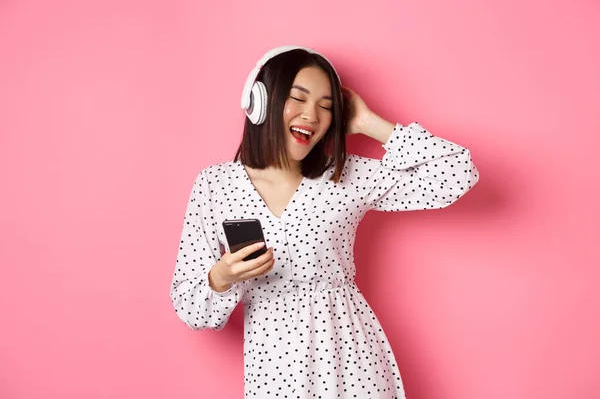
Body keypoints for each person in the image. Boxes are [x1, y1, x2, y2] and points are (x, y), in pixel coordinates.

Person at [169, 45, 479, 398]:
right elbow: (191, 307)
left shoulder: (346, 176)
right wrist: (223, 277)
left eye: (327, 106)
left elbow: (456, 173)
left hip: (353, 359)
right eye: (298, 99)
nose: (312, 116)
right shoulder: (215, 186)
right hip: (274, 366)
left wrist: (368, 123)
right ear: (258, 101)